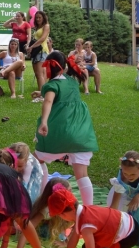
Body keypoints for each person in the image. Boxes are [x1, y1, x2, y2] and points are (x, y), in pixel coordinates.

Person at [34, 50, 98, 205]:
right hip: (80, 132)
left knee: (37, 161)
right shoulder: (72, 81)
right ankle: (89, 209)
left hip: (60, 131)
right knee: (82, 174)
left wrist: (44, 122)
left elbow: (49, 102)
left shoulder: (52, 85)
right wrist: (42, 93)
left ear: (48, 67)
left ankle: (40, 200)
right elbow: (61, 97)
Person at [7, 177, 71, 248]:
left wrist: (66, 242)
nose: (71, 195)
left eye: (70, 192)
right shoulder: (46, 210)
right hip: (42, 228)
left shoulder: (71, 205)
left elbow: (80, 222)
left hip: (53, 227)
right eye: (68, 192)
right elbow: (27, 229)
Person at [28, 10, 50, 91]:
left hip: (42, 51)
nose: (38, 19)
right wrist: (29, 47)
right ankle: (40, 92)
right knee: (37, 74)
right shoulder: (37, 28)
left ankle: (42, 94)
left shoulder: (46, 26)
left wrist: (32, 47)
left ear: (43, 18)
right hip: (35, 52)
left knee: (40, 74)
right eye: (36, 18)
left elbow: (42, 39)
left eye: (39, 17)